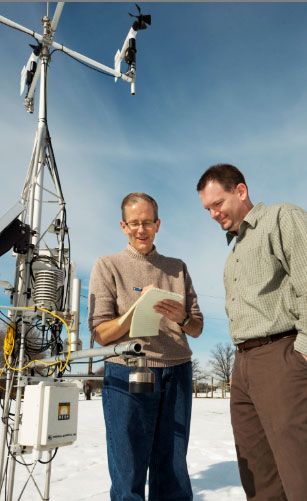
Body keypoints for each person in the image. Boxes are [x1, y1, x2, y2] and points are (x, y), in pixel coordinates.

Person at [197, 163, 307, 500]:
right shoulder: (234, 253)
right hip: (243, 364)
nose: (214, 214)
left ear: (240, 191)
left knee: (298, 466)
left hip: (282, 356)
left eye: (218, 204)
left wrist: (300, 353)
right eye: (207, 209)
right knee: (257, 470)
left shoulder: (281, 218)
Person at [88, 192, 203, 501]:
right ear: (123, 226)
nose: (142, 230)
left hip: (176, 371)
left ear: (158, 224)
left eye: (148, 222)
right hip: (129, 371)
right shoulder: (107, 266)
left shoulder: (176, 267)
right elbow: (101, 333)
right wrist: (134, 312)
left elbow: (198, 327)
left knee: (172, 465)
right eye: (135, 223)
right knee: (129, 466)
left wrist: (181, 318)